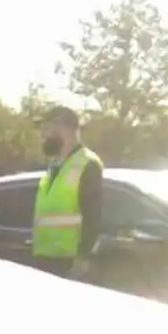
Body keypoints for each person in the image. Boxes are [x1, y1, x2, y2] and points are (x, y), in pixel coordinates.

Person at [31, 106, 103, 279]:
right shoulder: (55, 165)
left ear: (62, 127)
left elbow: (93, 216)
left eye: (46, 129)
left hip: (68, 263)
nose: (42, 135)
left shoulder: (87, 163)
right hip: (45, 258)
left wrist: (83, 257)